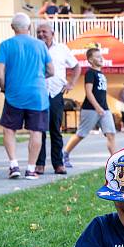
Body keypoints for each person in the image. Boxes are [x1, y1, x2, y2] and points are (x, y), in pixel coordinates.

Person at [0, 12, 54, 180]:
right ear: (29, 27)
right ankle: (30, 169)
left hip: (14, 94)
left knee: (9, 129)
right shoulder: (41, 45)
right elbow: (51, 70)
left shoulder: (5, 45)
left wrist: (5, 87)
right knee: (36, 132)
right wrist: (38, 78)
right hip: (38, 95)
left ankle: (13, 165)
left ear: (13, 28)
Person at [35, 22, 80, 175]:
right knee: (38, 129)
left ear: (52, 33)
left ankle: (58, 164)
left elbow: (76, 67)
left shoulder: (62, 49)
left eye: (44, 31)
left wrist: (71, 84)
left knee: (55, 130)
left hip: (55, 93)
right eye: (38, 32)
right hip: (38, 92)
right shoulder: (34, 47)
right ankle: (39, 164)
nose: (41, 34)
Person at [62, 48, 116, 167]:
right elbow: (89, 92)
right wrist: (97, 107)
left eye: (101, 56)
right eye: (97, 56)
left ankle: (115, 161)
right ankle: (64, 154)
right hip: (90, 109)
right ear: (90, 60)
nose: (101, 58)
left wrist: (103, 107)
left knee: (111, 133)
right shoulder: (90, 73)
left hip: (104, 108)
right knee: (81, 134)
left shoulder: (101, 74)